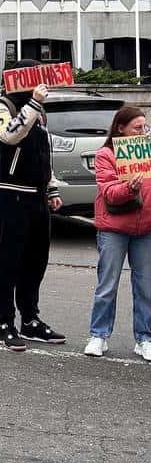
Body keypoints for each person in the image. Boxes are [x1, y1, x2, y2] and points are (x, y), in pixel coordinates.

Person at [0, 60, 65, 350]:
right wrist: (33, 104)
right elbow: (9, 134)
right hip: (11, 195)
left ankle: (30, 320)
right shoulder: (0, 106)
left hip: (36, 196)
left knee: (36, 261)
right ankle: (5, 323)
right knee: (9, 261)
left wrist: (51, 187)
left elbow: (44, 154)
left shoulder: (39, 111)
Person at [85, 105, 151, 360]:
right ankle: (98, 335)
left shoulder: (146, 152)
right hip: (114, 228)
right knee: (107, 284)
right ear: (120, 128)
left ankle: (144, 338)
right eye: (137, 128)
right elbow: (109, 193)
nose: (142, 132)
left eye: (145, 127)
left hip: (145, 228)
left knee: (145, 285)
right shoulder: (106, 154)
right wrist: (129, 188)